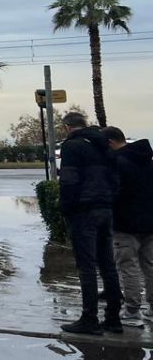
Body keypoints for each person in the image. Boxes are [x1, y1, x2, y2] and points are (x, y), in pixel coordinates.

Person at [59, 111, 123, 334]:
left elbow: (68, 181)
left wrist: (66, 209)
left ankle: (89, 319)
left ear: (67, 127)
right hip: (105, 208)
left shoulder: (72, 146)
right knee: (108, 264)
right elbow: (116, 178)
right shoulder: (104, 145)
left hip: (83, 211)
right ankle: (113, 318)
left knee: (86, 267)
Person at [103, 126, 153, 324]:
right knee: (150, 265)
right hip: (150, 222)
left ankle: (132, 310)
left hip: (124, 223)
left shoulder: (117, 162)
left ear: (110, 143)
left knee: (128, 266)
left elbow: (114, 193)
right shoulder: (148, 161)